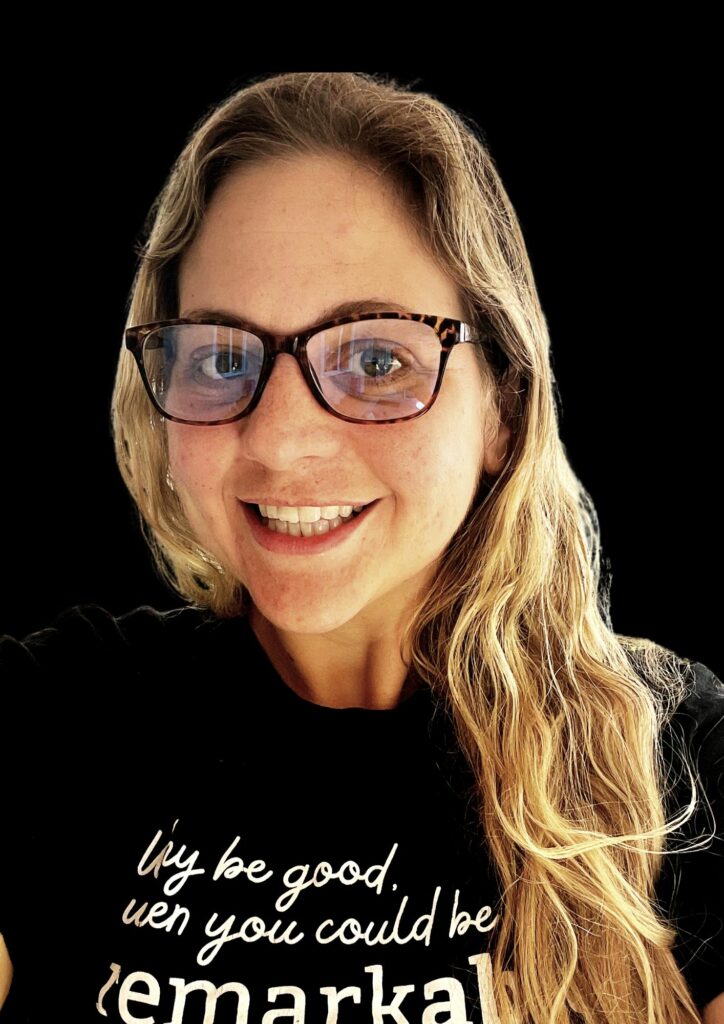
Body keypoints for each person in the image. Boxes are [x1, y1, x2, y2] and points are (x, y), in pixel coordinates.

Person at [0, 70, 722, 1024]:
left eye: (377, 359)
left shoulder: (675, 759)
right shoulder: (57, 717)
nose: (281, 440)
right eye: (222, 356)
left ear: (504, 404)